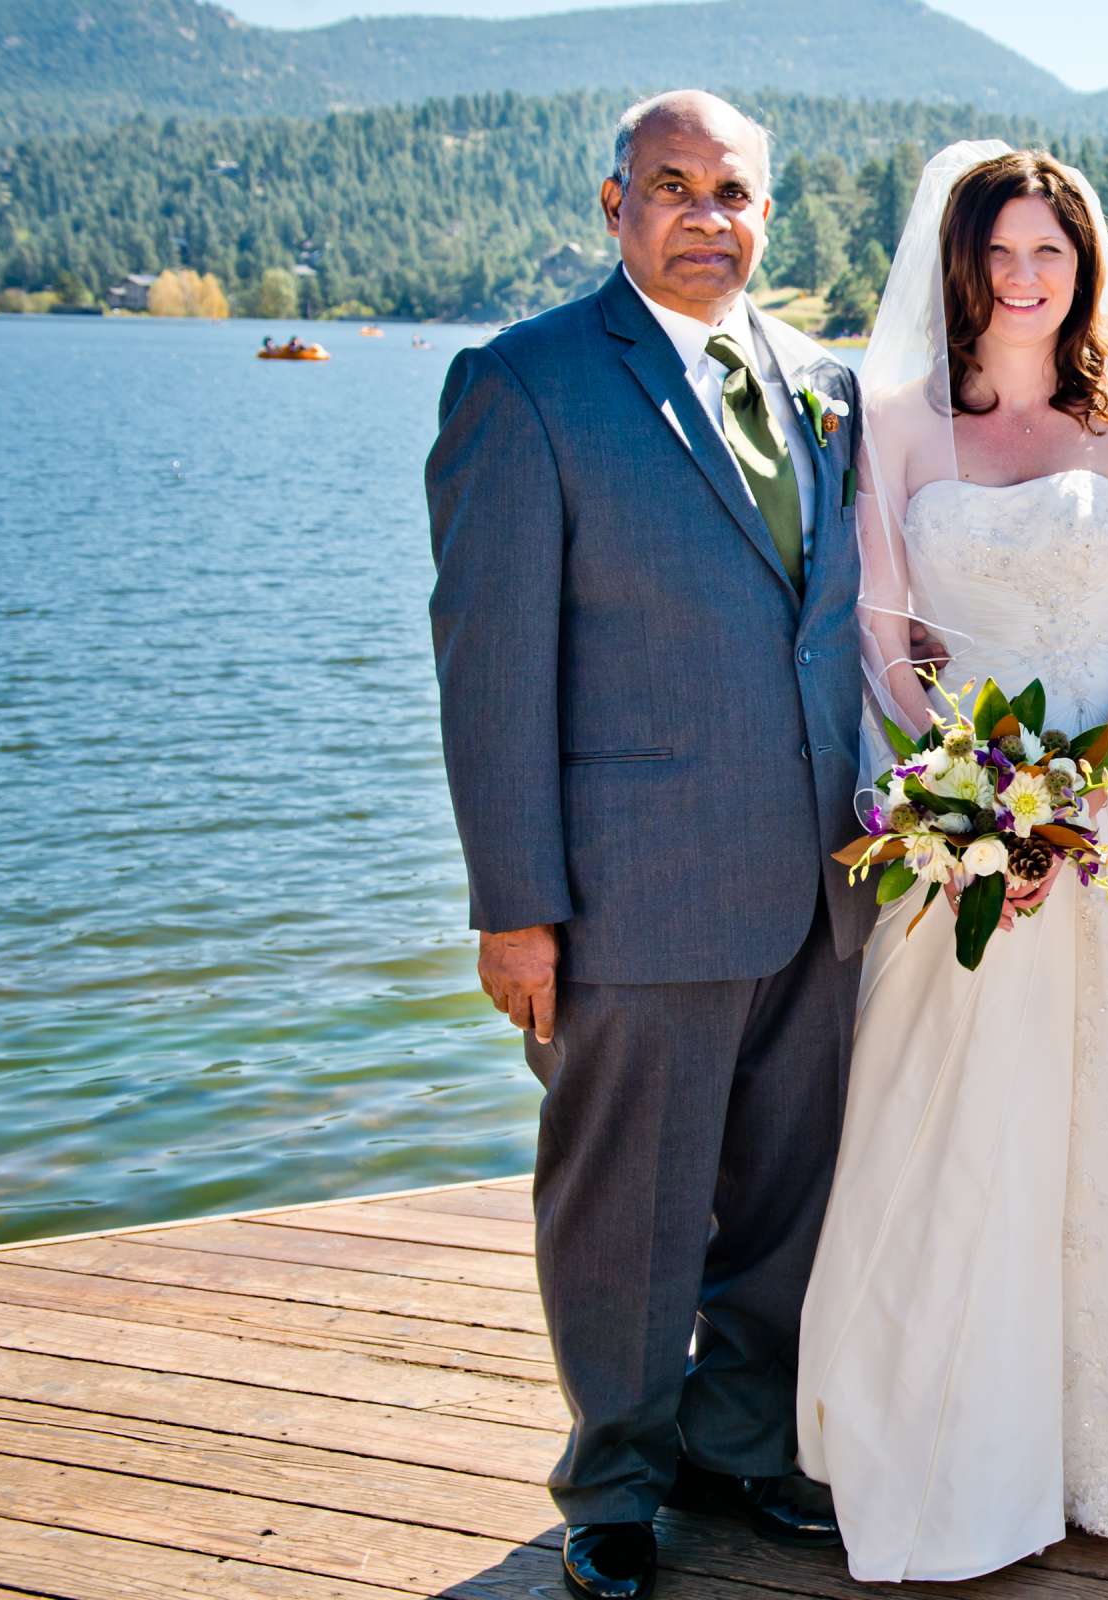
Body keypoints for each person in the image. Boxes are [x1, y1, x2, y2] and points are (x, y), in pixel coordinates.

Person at [793, 143, 1108, 1583]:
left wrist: (1067, 797)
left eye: (1051, 255)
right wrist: (974, 807)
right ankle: (965, 1451)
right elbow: (887, 646)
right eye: (1001, 255)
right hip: (962, 831)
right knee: (958, 1124)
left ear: (1087, 267)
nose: (1025, 281)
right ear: (961, 268)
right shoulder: (898, 425)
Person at [424, 91, 869, 1600]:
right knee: (622, 1208)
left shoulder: (823, 383)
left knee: (791, 1192)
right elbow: (489, 670)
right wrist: (518, 908)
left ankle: (741, 1447)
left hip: (823, 882)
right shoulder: (527, 382)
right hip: (635, 888)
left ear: (766, 212)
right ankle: (612, 1484)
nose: (706, 217)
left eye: (733, 193)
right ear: (614, 203)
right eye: (671, 188)